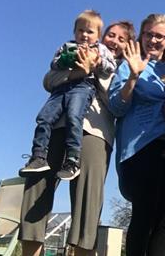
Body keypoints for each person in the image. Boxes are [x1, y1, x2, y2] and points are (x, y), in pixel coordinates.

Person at [18, 20, 136, 256]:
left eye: (121, 39)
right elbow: (49, 80)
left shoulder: (122, 69)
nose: (114, 40)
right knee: (36, 187)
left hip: (95, 131)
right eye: (110, 35)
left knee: (87, 201)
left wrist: (93, 71)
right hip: (58, 126)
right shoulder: (79, 52)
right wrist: (78, 72)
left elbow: (118, 104)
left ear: (127, 47)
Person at [108, 13, 165, 256]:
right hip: (141, 148)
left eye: (160, 36)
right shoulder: (129, 65)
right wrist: (133, 76)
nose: (154, 39)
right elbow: (117, 107)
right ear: (142, 35)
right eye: (149, 33)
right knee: (145, 213)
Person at [18, 10, 117, 180]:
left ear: (98, 35)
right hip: (61, 89)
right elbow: (54, 65)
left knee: (74, 115)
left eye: (90, 31)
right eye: (80, 30)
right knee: (44, 117)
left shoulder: (100, 49)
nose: (84, 35)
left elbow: (111, 66)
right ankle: (38, 156)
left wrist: (97, 61)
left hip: (83, 87)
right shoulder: (67, 46)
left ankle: (73, 159)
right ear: (74, 32)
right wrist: (67, 60)